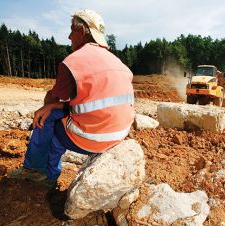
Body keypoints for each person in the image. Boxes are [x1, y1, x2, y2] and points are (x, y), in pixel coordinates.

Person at [9, 9, 135, 188]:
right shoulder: (119, 63)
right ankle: (41, 171)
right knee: (54, 112)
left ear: (82, 31)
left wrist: (50, 105)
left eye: (72, 30)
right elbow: (91, 103)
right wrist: (55, 106)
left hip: (93, 139)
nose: (69, 36)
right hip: (119, 135)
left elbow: (51, 99)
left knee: (46, 121)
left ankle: (39, 173)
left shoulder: (74, 62)